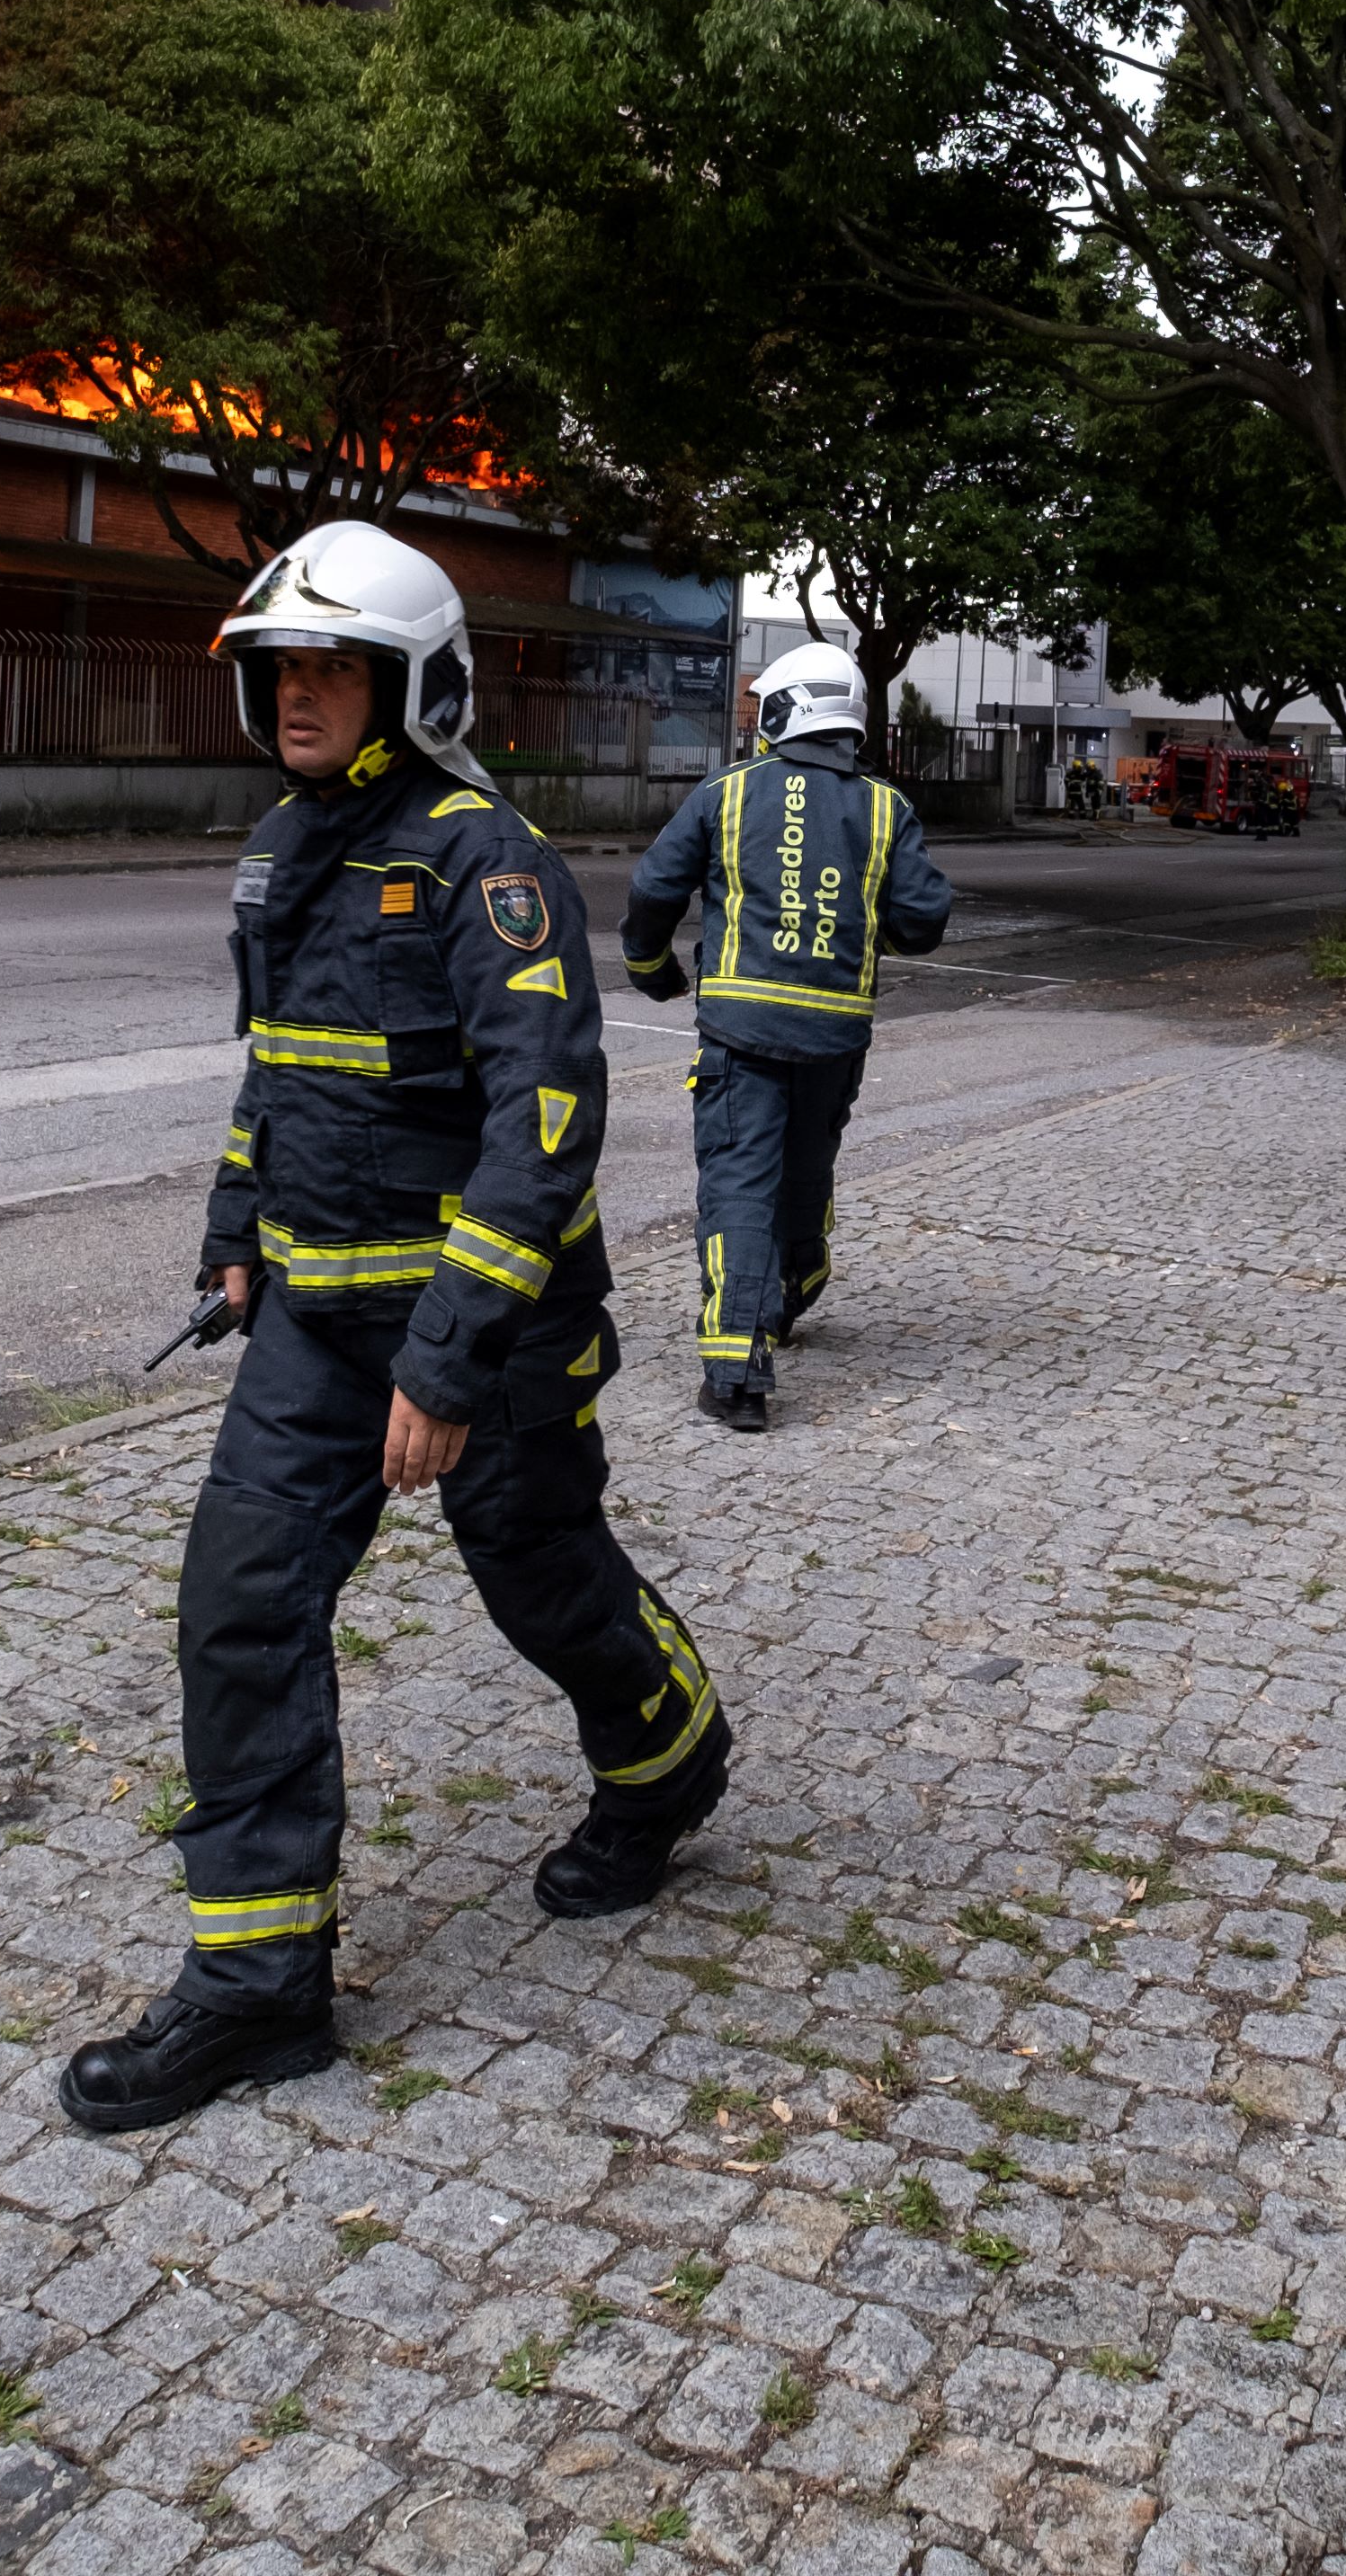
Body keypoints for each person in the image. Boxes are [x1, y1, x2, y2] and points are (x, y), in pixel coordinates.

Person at [56, 520, 726, 2137]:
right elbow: (274, 1073)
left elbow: (545, 1121)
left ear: (412, 686)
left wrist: (444, 1358)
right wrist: (232, 1243)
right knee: (239, 1607)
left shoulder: (485, 863)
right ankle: (262, 1989)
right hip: (308, 1329)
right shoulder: (283, 849)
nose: (295, 695)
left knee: (545, 1582)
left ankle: (667, 1765)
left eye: (331, 665)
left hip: (479, 1343)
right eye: (280, 668)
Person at [621, 641, 954, 1433]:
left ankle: (737, 1366)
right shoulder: (884, 808)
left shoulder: (725, 794)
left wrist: (651, 971)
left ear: (785, 710)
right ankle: (791, 1291)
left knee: (740, 1182)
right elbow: (923, 921)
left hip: (740, 1033)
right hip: (835, 1035)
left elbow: (652, 892)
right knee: (805, 1171)